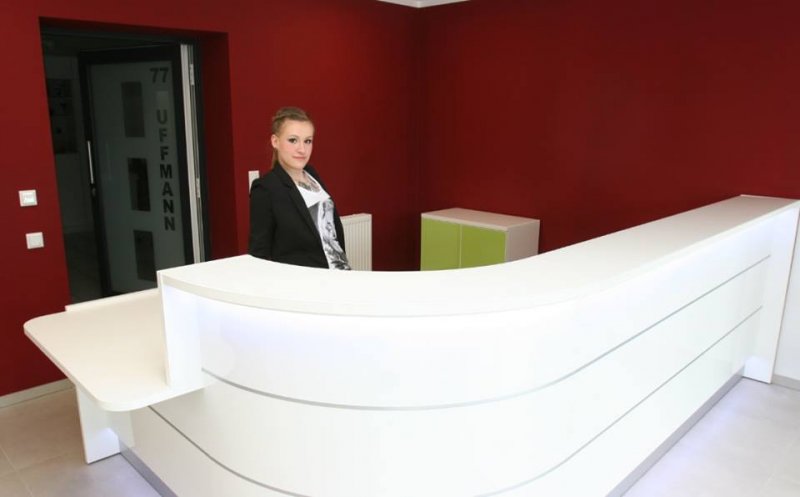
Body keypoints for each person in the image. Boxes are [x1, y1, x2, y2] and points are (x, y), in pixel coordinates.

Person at [248, 107, 350, 270]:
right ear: (275, 141)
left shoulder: (311, 173)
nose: (302, 149)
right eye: (293, 140)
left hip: (340, 273)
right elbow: (258, 254)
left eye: (307, 141)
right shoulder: (266, 188)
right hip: (306, 281)